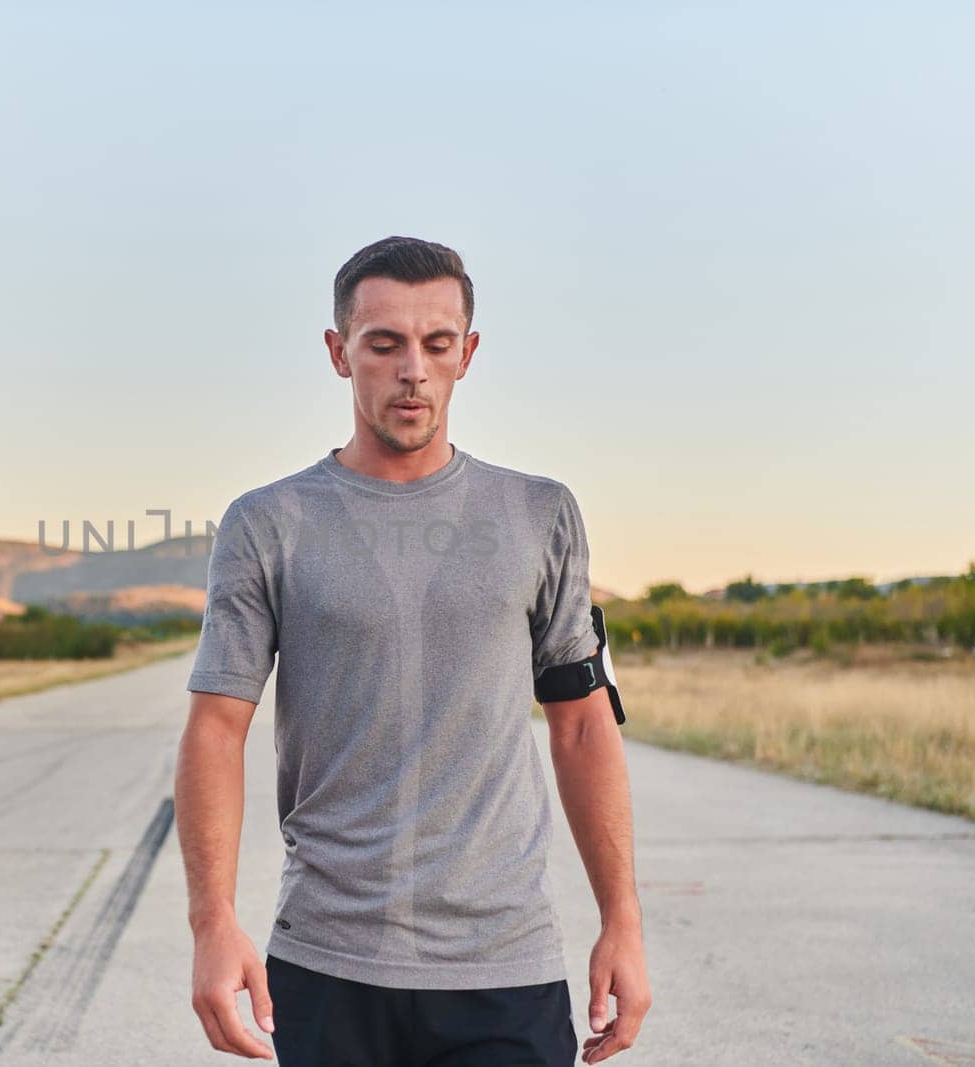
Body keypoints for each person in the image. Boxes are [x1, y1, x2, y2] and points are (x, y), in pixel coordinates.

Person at [174, 236, 651, 1066]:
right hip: (327, 962)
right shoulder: (267, 523)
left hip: (503, 965)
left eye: (437, 344)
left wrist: (624, 919)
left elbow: (580, 724)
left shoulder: (538, 513)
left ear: (467, 354)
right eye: (383, 342)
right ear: (338, 352)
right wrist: (213, 922)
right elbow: (216, 728)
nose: (413, 370)